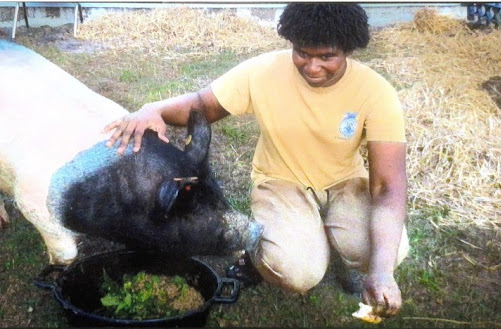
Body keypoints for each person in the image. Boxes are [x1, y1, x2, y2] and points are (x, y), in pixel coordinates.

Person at [104, 3, 410, 319]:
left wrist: (382, 271)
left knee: (387, 251)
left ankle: (341, 250)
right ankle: (256, 257)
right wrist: (152, 109)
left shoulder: (376, 92)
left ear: (348, 51)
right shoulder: (262, 72)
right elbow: (201, 105)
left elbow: (387, 185)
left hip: (345, 181)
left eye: (326, 57)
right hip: (281, 181)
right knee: (297, 273)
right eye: (302, 53)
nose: (312, 66)